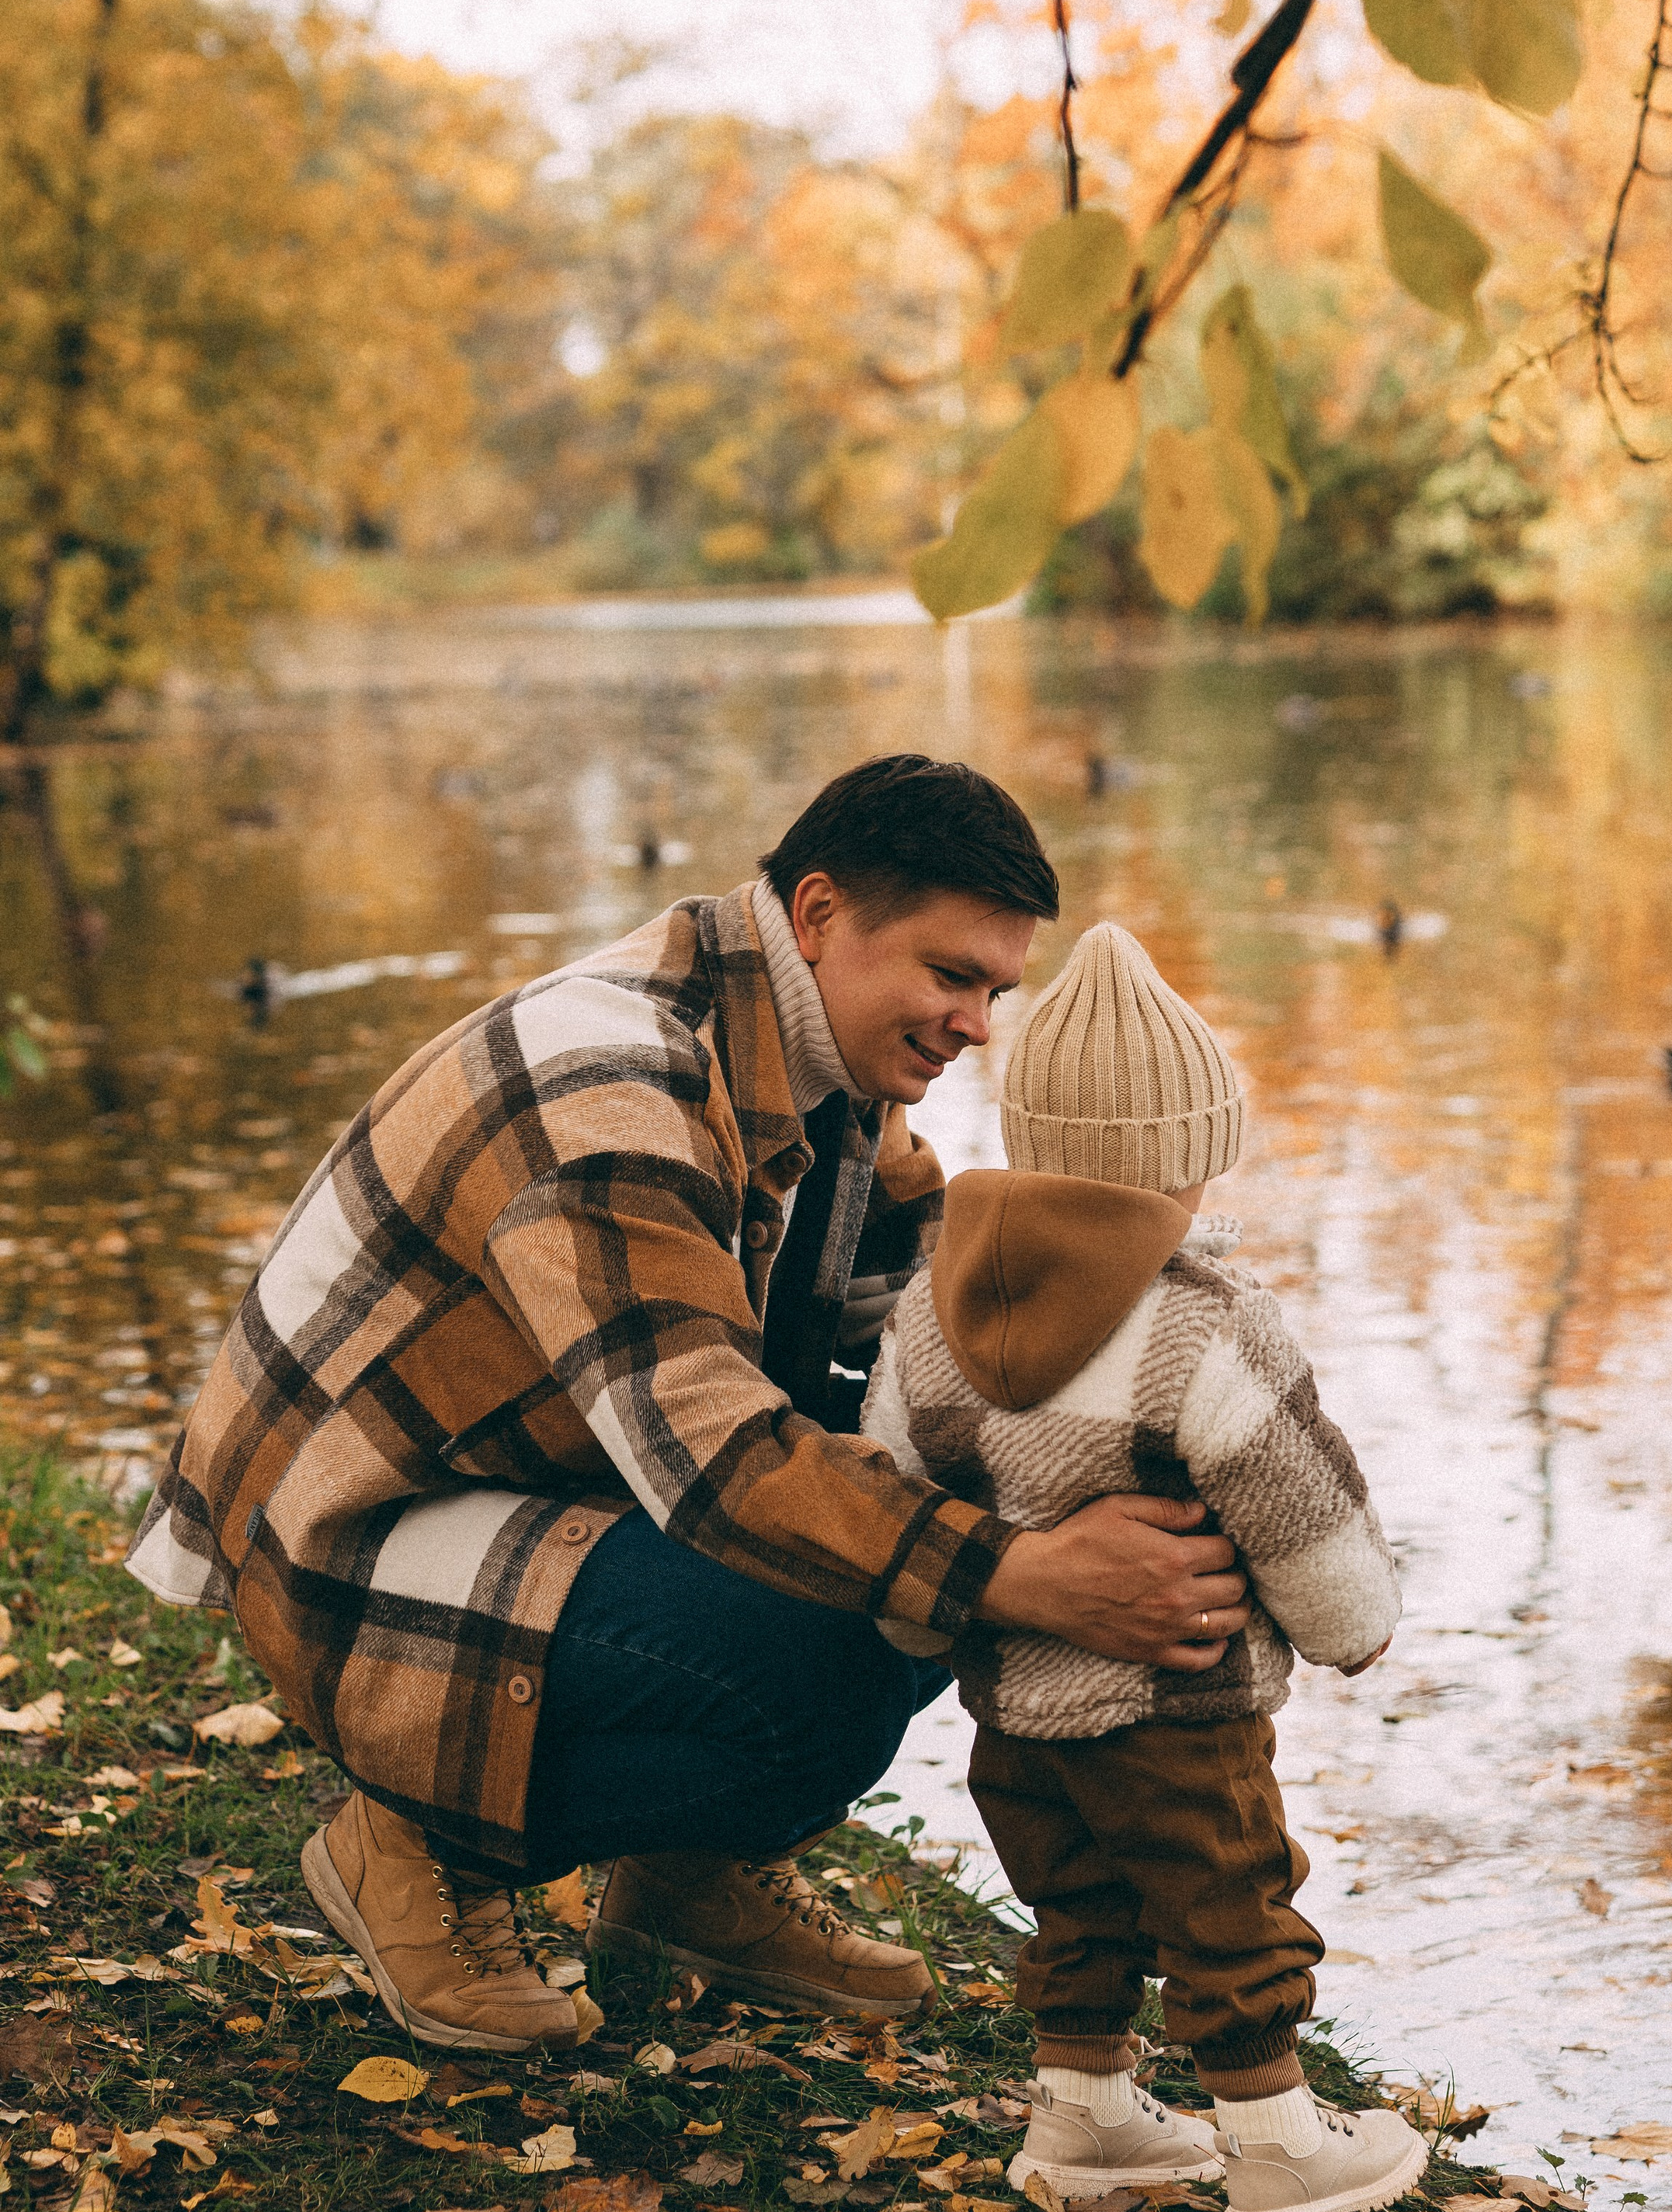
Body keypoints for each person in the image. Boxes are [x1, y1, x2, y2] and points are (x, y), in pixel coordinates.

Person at [125, 758, 1255, 2054]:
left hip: (549, 1474)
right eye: (953, 978)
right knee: (843, 1649)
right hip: (351, 1537)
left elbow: (906, 1365)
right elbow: (716, 1459)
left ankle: (681, 1877)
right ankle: (412, 1840)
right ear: (821, 914)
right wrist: (1026, 1574)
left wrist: (1135, 1395)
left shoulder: (822, 1070)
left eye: (998, 991)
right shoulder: (608, 1085)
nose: (980, 1026)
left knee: (937, 1526)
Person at [860, 919, 1427, 2212]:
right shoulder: (1198, 1322)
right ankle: (1280, 2144)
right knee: (1228, 1900)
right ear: (1185, 1161)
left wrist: (915, 1616)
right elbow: (1298, 1500)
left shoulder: (928, 1314)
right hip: (1175, 1708)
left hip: (1009, 1712)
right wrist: (1354, 1626)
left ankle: (1086, 2121)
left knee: (1078, 1900)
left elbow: (888, 1497)